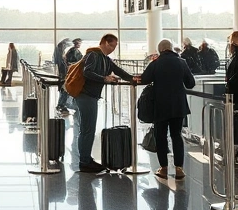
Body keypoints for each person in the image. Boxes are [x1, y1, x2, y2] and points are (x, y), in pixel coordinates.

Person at [72, 33, 138, 173]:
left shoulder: (105, 59)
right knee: (87, 129)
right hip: (86, 96)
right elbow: (87, 72)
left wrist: (133, 79)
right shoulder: (93, 55)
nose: (113, 48)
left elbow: (119, 71)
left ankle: (86, 159)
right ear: (106, 43)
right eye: (113, 45)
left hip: (90, 96)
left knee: (87, 129)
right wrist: (104, 79)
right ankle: (84, 161)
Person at [139, 39, 195, 180]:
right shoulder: (182, 62)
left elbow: (144, 79)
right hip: (178, 105)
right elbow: (190, 83)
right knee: (176, 135)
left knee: (161, 136)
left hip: (160, 105)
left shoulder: (156, 63)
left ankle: (163, 168)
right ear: (171, 49)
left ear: (160, 50)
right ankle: (179, 169)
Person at [54, 39, 72, 115]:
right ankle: (61, 105)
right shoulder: (59, 53)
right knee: (64, 90)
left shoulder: (59, 52)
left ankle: (61, 104)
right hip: (62, 75)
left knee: (63, 90)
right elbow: (60, 64)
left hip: (62, 74)